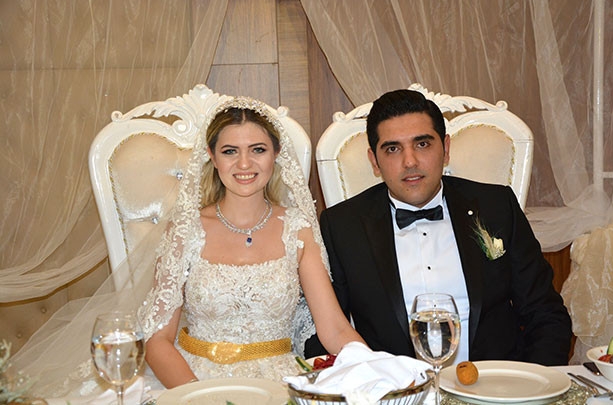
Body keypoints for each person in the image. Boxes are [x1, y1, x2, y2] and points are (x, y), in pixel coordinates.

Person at [305, 89, 572, 366]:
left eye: (422, 144)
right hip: (396, 388)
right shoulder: (343, 226)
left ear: (445, 149)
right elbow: (326, 328)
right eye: (393, 149)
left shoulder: (496, 207)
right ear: (374, 161)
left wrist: (536, 382)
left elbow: (545, 314)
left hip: (493, 383)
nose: (410, 161)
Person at [139, 96, 365, 388]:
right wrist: (199, 397)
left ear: (276, 154)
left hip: (278, 382)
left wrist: (381, 371)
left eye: (258, 149)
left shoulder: (298, 229)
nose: (244, 163)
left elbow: (334, 329)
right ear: (212, 157)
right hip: (193, 380)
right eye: (230, 151)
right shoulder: (185, 230)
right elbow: (157, 340)